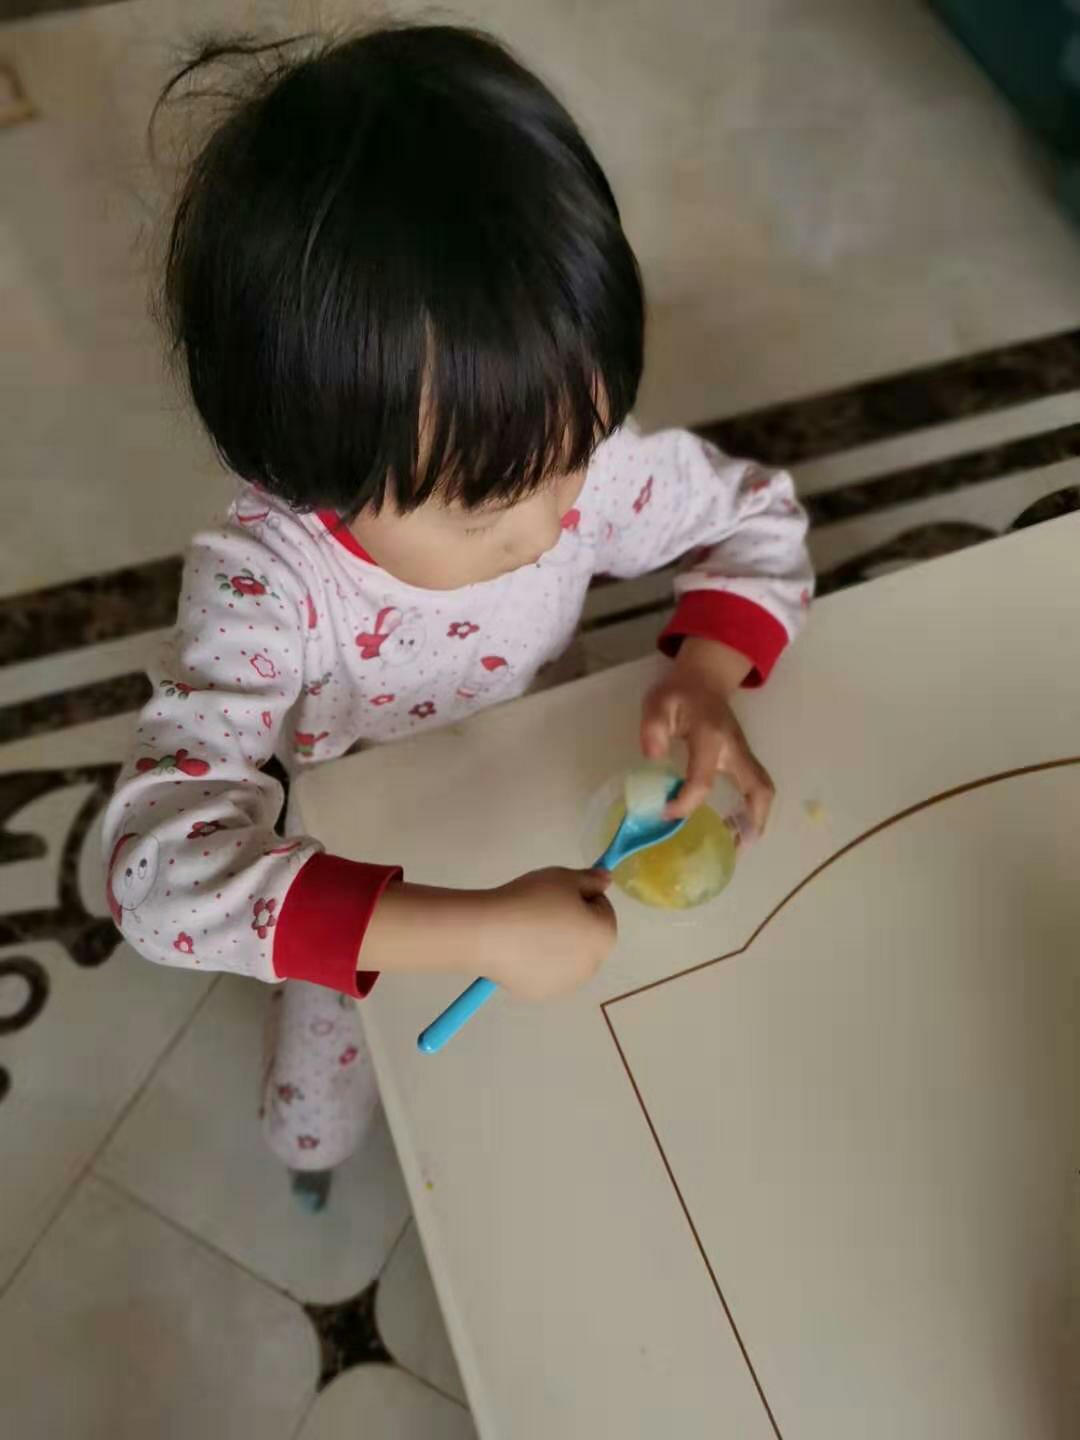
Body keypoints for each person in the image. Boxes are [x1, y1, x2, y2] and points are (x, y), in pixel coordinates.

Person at [104, 24, 812, 1204]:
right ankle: (312, 1164)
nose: (552, 523)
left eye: (577, 451)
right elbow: (154, 877)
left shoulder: (565, 460)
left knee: (553, 1058)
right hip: (372, 872)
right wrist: (473, 933)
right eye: (487, 506)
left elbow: (758, 519)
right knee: (329, 1075)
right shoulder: (266, 588)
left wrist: (706, 673)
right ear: (310, 465)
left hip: (539, 804)